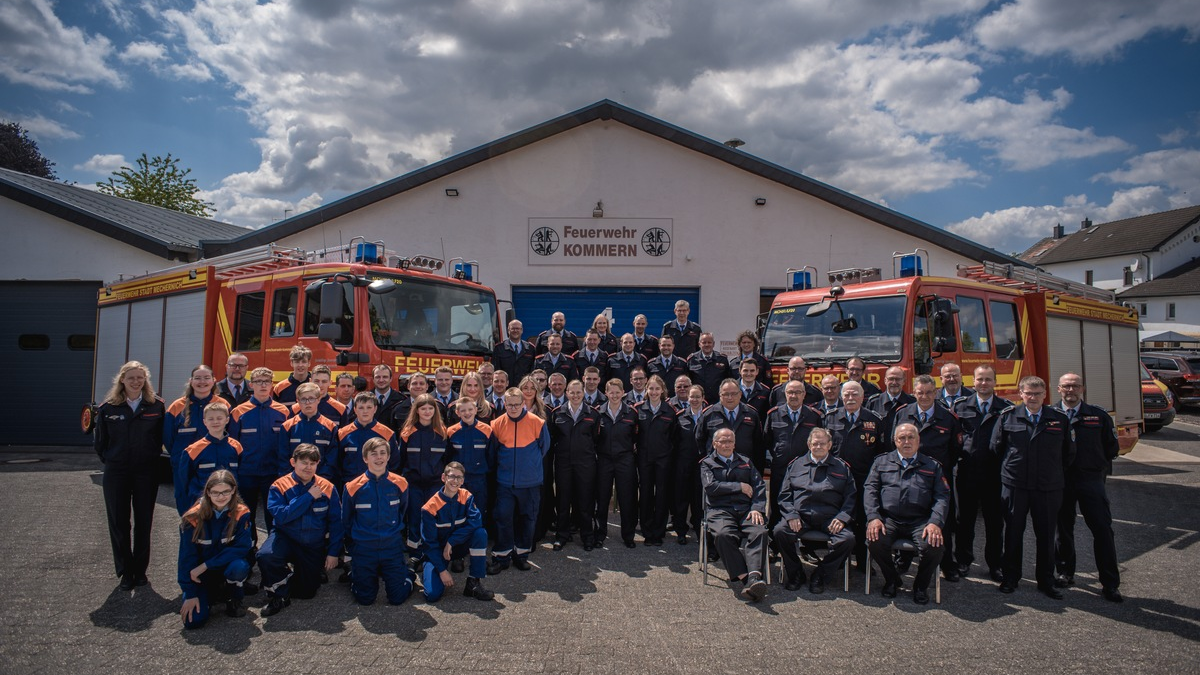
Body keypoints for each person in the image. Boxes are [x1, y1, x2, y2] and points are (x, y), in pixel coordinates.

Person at [990, 376, 1075, 598]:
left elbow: (1068, 453)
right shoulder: (1008, 417)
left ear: (1045, 394)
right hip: (1016, 486)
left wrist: (1050, 472)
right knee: (1013, 534)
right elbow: (996, 448)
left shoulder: (1059, 419)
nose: (1033, 397)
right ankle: (1010, 578)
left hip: (1047, 487)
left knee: (1046, 535)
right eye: (1029, 393)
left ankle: (1046, 581)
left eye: (1037, 393)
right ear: (1021, 394)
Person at [95, 360, 166, 591]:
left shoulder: (156, 406)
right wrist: (115, 460)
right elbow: (100, 444)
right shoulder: (108, 408)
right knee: (119, 521)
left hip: (146, 471)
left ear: (145, 380)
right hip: (117, 472)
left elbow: (161, 438)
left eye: (140, 377)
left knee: (144, 522)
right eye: (131, 377)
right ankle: (125, 571)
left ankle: (140, 570)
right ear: (122, 380)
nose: (136, 381)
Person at [1053, 373, 1122, 602]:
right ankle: (1064, 573)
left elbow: (1111, 448)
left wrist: (1094, 467)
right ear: (1058, 389)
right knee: (1063, 529)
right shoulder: (1051, 415)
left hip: (1090, 480)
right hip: (1062, 481)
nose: (1070, 390)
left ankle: (1110, 583)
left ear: (1082, 388)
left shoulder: (1098, 415)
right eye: (1066, 386)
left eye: (1075, 386)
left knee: (1102, 529)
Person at [863, 423, 948, 605]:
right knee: (874, 540)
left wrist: (935, 522)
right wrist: (873, 517)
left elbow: (942, 497)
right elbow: (870, 490)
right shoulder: (881, 462)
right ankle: (892, 580)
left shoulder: (932, 466)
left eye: (911, 438)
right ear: (895, 441)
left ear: (918, 441)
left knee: (933, 546)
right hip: (889, 519)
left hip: (921, 521)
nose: (906, 441)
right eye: (902, 438)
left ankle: (920, 586)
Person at [892, 374, 963, 581]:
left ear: (936, 392)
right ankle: (904, 559)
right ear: (914, 393)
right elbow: (893, 442)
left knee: (943, 520)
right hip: (907, 475)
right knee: (906, 515)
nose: (924, 396)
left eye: (929, 392)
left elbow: (955, 449)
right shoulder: (903, 413)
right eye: (920, 392)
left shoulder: (948, 418)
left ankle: (948, 564)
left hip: (936, 478)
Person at [259, 444, 344, 616]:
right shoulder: (279, 486)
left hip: (311, 543)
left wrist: (333, 553)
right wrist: (308, 497)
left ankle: (292, 576)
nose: (308, 467)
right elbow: (282, 515)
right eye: (303, 463)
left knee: (307, 593)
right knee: (266, 556)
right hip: (286, 538)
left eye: (312, 463)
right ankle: (279, 594)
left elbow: (337, 522)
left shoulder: (327, 487)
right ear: (293, 462)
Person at [773, 428, 857, 594]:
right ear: (808, 444)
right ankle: (796, 573)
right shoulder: (796, 465)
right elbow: (784, 495)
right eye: (815, 443)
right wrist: (791, 515)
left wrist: (842, 518)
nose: (818, 446)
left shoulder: (841, 467)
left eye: (822, 443)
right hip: (801, 517)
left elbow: (851, 497)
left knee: (848, 539)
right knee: (780, 532)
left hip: (830, 518)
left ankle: (821, 574)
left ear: (830, 445)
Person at [953, 364, 1010, 583]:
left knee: (994, 523)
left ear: (995, 382)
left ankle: (995, 564)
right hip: (966, 473)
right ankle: (963, 561)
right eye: (980, 379)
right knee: (964, 521)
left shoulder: (1005, 408)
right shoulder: (960, 407)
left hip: (994, 475)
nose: (983, 383)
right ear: (972, 382)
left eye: (988, 379)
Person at [342, 438, 414, 605]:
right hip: (364, 548)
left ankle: (408, 574)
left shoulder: (400, 483)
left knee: (397, 598)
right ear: (365, 458)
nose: (379, 457)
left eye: (383, 453)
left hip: (391, 547)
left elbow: (402, 511)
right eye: (373, 454)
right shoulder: (353, 487)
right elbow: (346, 519)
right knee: (365, 599)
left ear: (388, 457)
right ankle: (355, 574)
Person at [177, 470, 253, 628]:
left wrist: (206, 565)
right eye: (215, 492)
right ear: (207, 492)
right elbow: (186, 558)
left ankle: (233, 598)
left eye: (225, 491)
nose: (221, 497)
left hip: (219, 568)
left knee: (239, 567)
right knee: (193, 622)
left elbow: (242, 547)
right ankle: (211, 594)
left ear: (233, 490)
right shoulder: (192, 518)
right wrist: (190, 593)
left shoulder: (241, 513)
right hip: (200, 575)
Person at [701, 429, 768, 602]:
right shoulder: (707, 463)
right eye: (722, 441)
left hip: (746, 509)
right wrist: (738, 486)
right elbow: (711, 488)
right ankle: (747, 579)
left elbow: (759, 486)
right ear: (715, 443)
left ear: (735, 443)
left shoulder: (745, 461)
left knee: (759, 532)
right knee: (723, 535)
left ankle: (753, 577)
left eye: (730, 441)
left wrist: (757, 508)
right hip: (720, 510)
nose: (726, 444)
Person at [823, 380, 884, 571]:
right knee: (839, 517)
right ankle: (840, 558)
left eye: (854, 394)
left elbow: (881, 452)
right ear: (841, 397)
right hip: (836, 480)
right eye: (847, 395)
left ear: (862, 397)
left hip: (864, 478)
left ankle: (864, 561)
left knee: (863, 520)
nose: (850, 398)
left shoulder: (874, 420)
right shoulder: (830, 418)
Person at [488, 388, 550, 572]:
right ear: (504, 404)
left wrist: (528, 466)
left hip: (530, 483)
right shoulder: (497, 424)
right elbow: (493, 452)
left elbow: (543, 448)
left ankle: (521, 555)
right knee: (503, 519)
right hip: (505, 483)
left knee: (528, 519)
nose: (513, 408)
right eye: (510, 404)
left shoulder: (537, 423)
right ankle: (502, 557)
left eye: (517, 404)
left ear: (524, 403)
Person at [229, 367, 292, 538]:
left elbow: (287, 445)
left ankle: (273, 551)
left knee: (273, 514)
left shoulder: (283, 412)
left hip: (273, 473)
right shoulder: (239, 412)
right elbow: (233, 445)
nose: (263, 385)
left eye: (267, 382)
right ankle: (249, 548)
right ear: (251, 385)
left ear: (272, 385)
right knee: (245, 514)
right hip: (246, 473)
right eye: (258, 382)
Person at [420, 462, 495, 602]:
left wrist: (451, 541)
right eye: (452, 476)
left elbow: (476, 521)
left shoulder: (466, 496)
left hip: (456, 546)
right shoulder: (429, 508)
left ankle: (473, 583)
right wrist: (442, 571)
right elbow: (429, 544)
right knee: (432, 595)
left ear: (463, 480)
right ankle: (422, 572)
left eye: (459, 478)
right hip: (437, 551)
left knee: (480, 533)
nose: (455, 481)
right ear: (443, 477)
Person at [764, 380, 824, 534]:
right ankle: (774, 542)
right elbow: (767, 440)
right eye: (790, 392)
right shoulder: (774, 414)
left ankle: (805, 544)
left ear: (804, 395)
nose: (794, 395)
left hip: (805, 470)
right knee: (777, 505)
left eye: (798, 392)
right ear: (785, 394)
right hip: (780, 468)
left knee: (804, 504)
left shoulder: (814, 416)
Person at [548, 380, 600, 551]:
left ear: (583, 393)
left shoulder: (593, 414)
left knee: (585, 502)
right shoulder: (558, 413)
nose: (575, 395)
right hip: (564, 464)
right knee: (563, 501)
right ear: (566, 393)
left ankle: (587, 537)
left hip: (586, 465)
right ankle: (562, 535)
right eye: (572, 392)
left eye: (579, 392)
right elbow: (554, 438)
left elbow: (595, 439)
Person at [398, 393, 450, 557]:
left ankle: (431, 551)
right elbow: (401, 460)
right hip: (413, 484)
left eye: (430, 408)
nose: (427, 412)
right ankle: (415, 553)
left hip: (435, 484)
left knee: (432, 518)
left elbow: (447, 459)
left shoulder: (442, 433)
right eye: (423, 408)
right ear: (417, 411)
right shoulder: (408, 432)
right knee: (414, 518)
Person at [595, 377, 641, 548]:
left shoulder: (632, 413)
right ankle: (600, 534)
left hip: (625, 460)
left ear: (623, 393)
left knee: (627, 498)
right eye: (610, 392)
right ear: (605, 393)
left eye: (617, 392)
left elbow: (637, 436)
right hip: (604, 460)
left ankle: (628, 535)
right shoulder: (598, 412)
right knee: (602, 498)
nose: (614, 395)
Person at [175, 401, 243, 515]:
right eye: (211, 419)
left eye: (219, 418)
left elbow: (241, 477)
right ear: (204, 422)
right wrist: (187, 509)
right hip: (202, 506)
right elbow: (183, 484)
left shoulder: (236, 447)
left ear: (227, 420)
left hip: (230, 505)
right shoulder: (192, 450)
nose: (215, 421)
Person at [636, 375, 678, 547]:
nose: (653, 392)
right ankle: (647, 531)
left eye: (657, 389)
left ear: (662, 391)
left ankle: (658, 532)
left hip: (663, 460)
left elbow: (674, 437)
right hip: (644, 459)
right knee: (645, 495)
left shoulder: (670, 411)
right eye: (651, 388)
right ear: (646, 390)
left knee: (662, 495)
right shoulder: (638, 409)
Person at [446, 397, 494, 538]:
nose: (467, 413)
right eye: (463, 410)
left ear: (476, 410)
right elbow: (447, 458)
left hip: (479, 481)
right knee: (458, 515)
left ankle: (477, 550)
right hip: (457, 483)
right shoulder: (451, 431)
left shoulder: (487, 430)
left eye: (470, 409)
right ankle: (458, 553)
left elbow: (491, 457)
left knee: (478, 514)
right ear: (457, 412)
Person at [696, 379, 765, 471]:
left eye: (733, 394)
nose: (730, 398)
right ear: (720, 395)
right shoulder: (708, 415)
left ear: (740, 394)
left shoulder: (751, 414)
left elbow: (758, 445)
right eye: (725, 394)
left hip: (744, 469)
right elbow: (700, 441)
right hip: (716, 469)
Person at [279, 383, 340, 483]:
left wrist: (322, 480)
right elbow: (283, 458)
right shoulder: (287, 426)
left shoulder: (330, 427)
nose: (307, 403)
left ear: (318, 399)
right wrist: (292, 480)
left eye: (311, 398)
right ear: (297, 401)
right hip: (293, 482)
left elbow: (332, 459)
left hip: (321, 482)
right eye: (303, 399)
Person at [164, 364, 218, 469]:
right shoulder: (176, 406)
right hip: (184, 464)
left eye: (207, 378)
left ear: (213, 380)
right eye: (197, 378)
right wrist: (178, 456)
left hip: (214, 463)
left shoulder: (223, 405)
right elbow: (168, 438)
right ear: (191, 381)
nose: (202, 382)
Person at [671, 384, 706, 544]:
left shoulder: (708, 416)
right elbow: (674, 441)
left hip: (701, 465)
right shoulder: (680, 417)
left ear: (703, 398)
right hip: (682, 464)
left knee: (698, 500)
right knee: (680, 498)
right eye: (692, 397)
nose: (694, 399)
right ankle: (680, 531)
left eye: (697, 396)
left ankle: (699, 529)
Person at [339, 391, 400, 479]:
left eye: (369, 407)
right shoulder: (343, 433)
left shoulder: (387, 433)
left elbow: (394, 463)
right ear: (355, 409)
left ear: (375, 409)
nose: (365, 411)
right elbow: (338, 463)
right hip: (351, 485)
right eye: (361, 408)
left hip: (379, 484)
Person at [865, 365, 915, 443]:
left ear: (904, 381)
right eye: (891, 379)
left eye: (898, 379)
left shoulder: (912, 402)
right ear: (885, 380)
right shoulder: (874, 402)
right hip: (879, 450)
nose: (894, 382)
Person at [687, 332, 731, 405]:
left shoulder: (722, 359)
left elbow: (727, 379)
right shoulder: (692, 360)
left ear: (713, 344)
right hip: (698, 402)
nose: (707, 345)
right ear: (699, 344)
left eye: (709, 342)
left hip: (718, 401)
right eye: (704, 342)